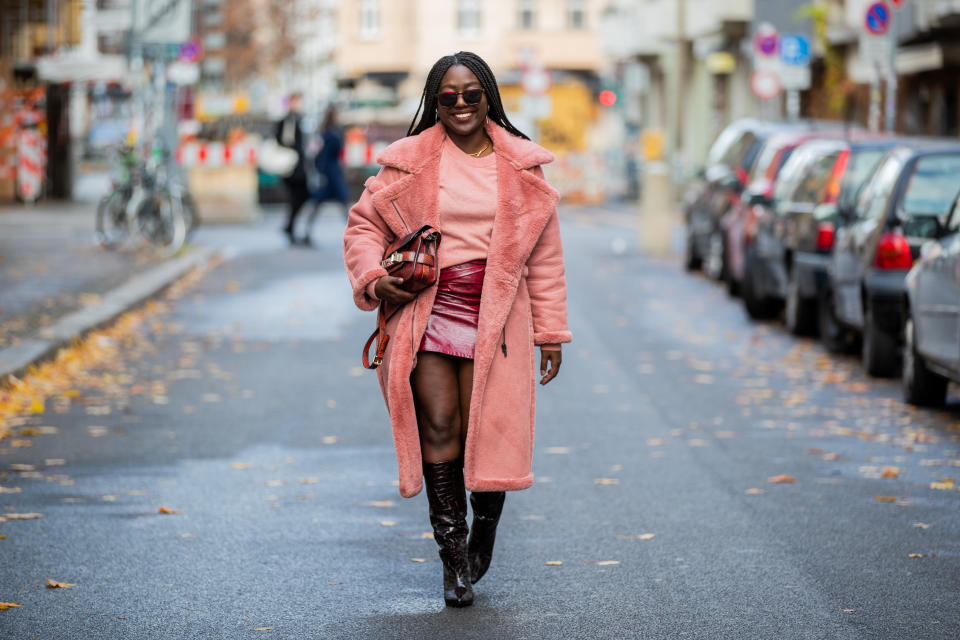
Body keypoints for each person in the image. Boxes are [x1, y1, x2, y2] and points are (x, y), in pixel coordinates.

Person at [342, 52, 570, 607]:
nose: (461, 104)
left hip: (499, 318)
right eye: (449, 96)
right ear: (434, 101)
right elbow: (362, 227)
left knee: (486, 429)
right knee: (439, 426)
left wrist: (551, 333)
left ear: (489, 95)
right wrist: (375, 280)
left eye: (472, 94)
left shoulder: (520, 167)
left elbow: (544, 257)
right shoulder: (409, 162)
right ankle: (453, 560)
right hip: (427, 311)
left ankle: (483, 529)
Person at [304, 106, 351, 245]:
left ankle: (307, 232)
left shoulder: (324, 133)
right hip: (332, 172)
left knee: (319, 204)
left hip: (327, 171)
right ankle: (354, 233)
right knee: (343, 203)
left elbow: (318, 153)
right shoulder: (334, 133)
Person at [275, 92, 308, 244]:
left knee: (298, 197)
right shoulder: (290, 120)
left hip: (296, 166)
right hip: (293, 167)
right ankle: (289, 227)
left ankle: (290, 227)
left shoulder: (297, 119)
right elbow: (287, 141)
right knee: (299, 196)